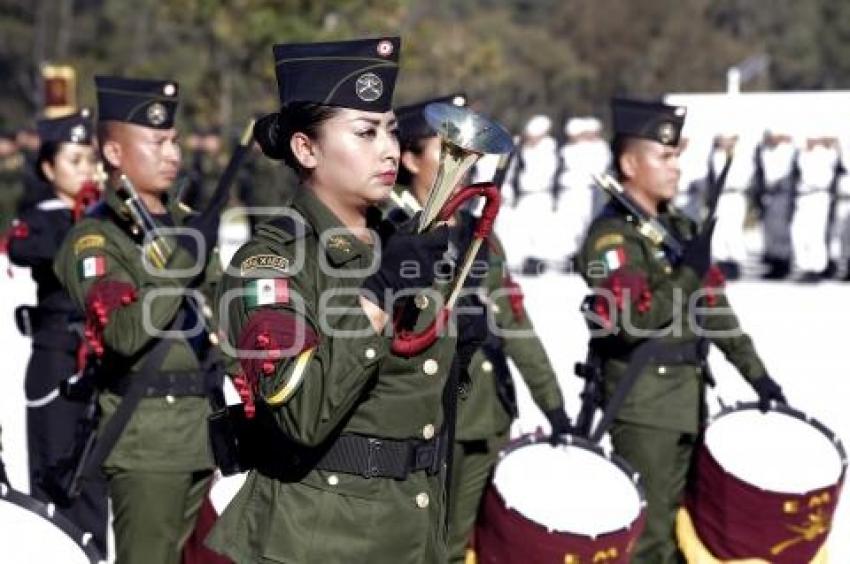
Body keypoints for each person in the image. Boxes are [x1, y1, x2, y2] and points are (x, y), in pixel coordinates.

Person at [206, 37, 462, 563]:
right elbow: (300, 413)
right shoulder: (271, 264)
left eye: (390, 130)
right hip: (317, 537)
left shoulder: (396, 242)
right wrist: (378, 296)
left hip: (413, 529)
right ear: (306, 149)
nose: (389, 149)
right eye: (366, 133)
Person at [575, 98, 786, 564]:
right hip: (642, 404)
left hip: (687, 400)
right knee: (648, 539)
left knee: (683, 531)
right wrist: (687, 274)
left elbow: (715, 311)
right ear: (630, 164)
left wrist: (760, 377)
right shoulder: (611, 238)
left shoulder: (680, 227)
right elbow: (636, 319)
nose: (676, 167)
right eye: (664, 157)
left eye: (677, 157)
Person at [393, 94, 570, 563]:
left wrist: (553, 406)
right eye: (448, 149)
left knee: (455, 546)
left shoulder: (482, 231)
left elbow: (514, 320)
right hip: (420, 417)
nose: (467, 163)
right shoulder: (388, 231)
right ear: (409, 158)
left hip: (483, 416)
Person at [54, 76, 221, 564]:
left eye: (173, 140)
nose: (172, 153)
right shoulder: (94, 240)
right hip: (147, 437)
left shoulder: (186, 225)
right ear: (113, 152)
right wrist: (182, 263)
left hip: (201, 431)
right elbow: (124, 332)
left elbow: (228, 311)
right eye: (157, 142)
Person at [6, 109, 108, 553]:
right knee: (56, 473)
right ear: (49, 168)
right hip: (58, 359)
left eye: (90, 159)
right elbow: (26, 248)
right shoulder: (43, 218)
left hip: (103, 360)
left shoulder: (111, 217)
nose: (86, 170)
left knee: (95, 480)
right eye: (74, 160)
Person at [502, 114, 559, 274]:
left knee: (540, 232)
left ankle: (538, 262)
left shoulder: (549, 149)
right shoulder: (522, 150)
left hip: (542, 196)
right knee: (521, 231)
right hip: (524, 197)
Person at [792, 135, 839, 282]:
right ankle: (806, 267)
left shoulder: (826, 154)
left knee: (815, 234)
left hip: (818, 196)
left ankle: (815, 269)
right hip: (804, 197)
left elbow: (834, 142)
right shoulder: (803, 154)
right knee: (798, 232)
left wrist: (821, 142)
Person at [708, 131, 753, 280]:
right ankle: (721, 262)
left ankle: (734, 262)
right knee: (719, 230)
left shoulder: (741, 157)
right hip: (721, 196)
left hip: (735, 195)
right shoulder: (716, 155)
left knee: (733, 230)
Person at [754, 128, 797, 280]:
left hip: (782, 194)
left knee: (780, 230)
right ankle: (773, 263)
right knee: (769, 231)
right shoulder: (764, 151)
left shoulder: (787, 151)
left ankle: (783, 264)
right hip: (767, 195)